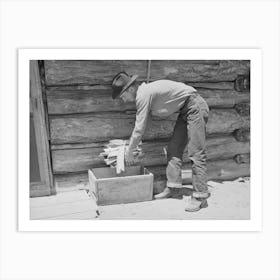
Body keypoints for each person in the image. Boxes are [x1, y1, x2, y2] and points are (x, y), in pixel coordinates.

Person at [111, 72, 210, 212]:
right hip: (186, 110)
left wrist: (130, 151)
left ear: (131, 89)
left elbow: (139, 127)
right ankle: (173, 189)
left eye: (123, 96)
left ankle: (200, 197)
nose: (124, 100)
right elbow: (143, 124)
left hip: (195, 106)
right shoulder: (145, 93)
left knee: (196, 152)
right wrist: (135, 146)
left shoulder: (143, 94)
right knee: (174, 149)